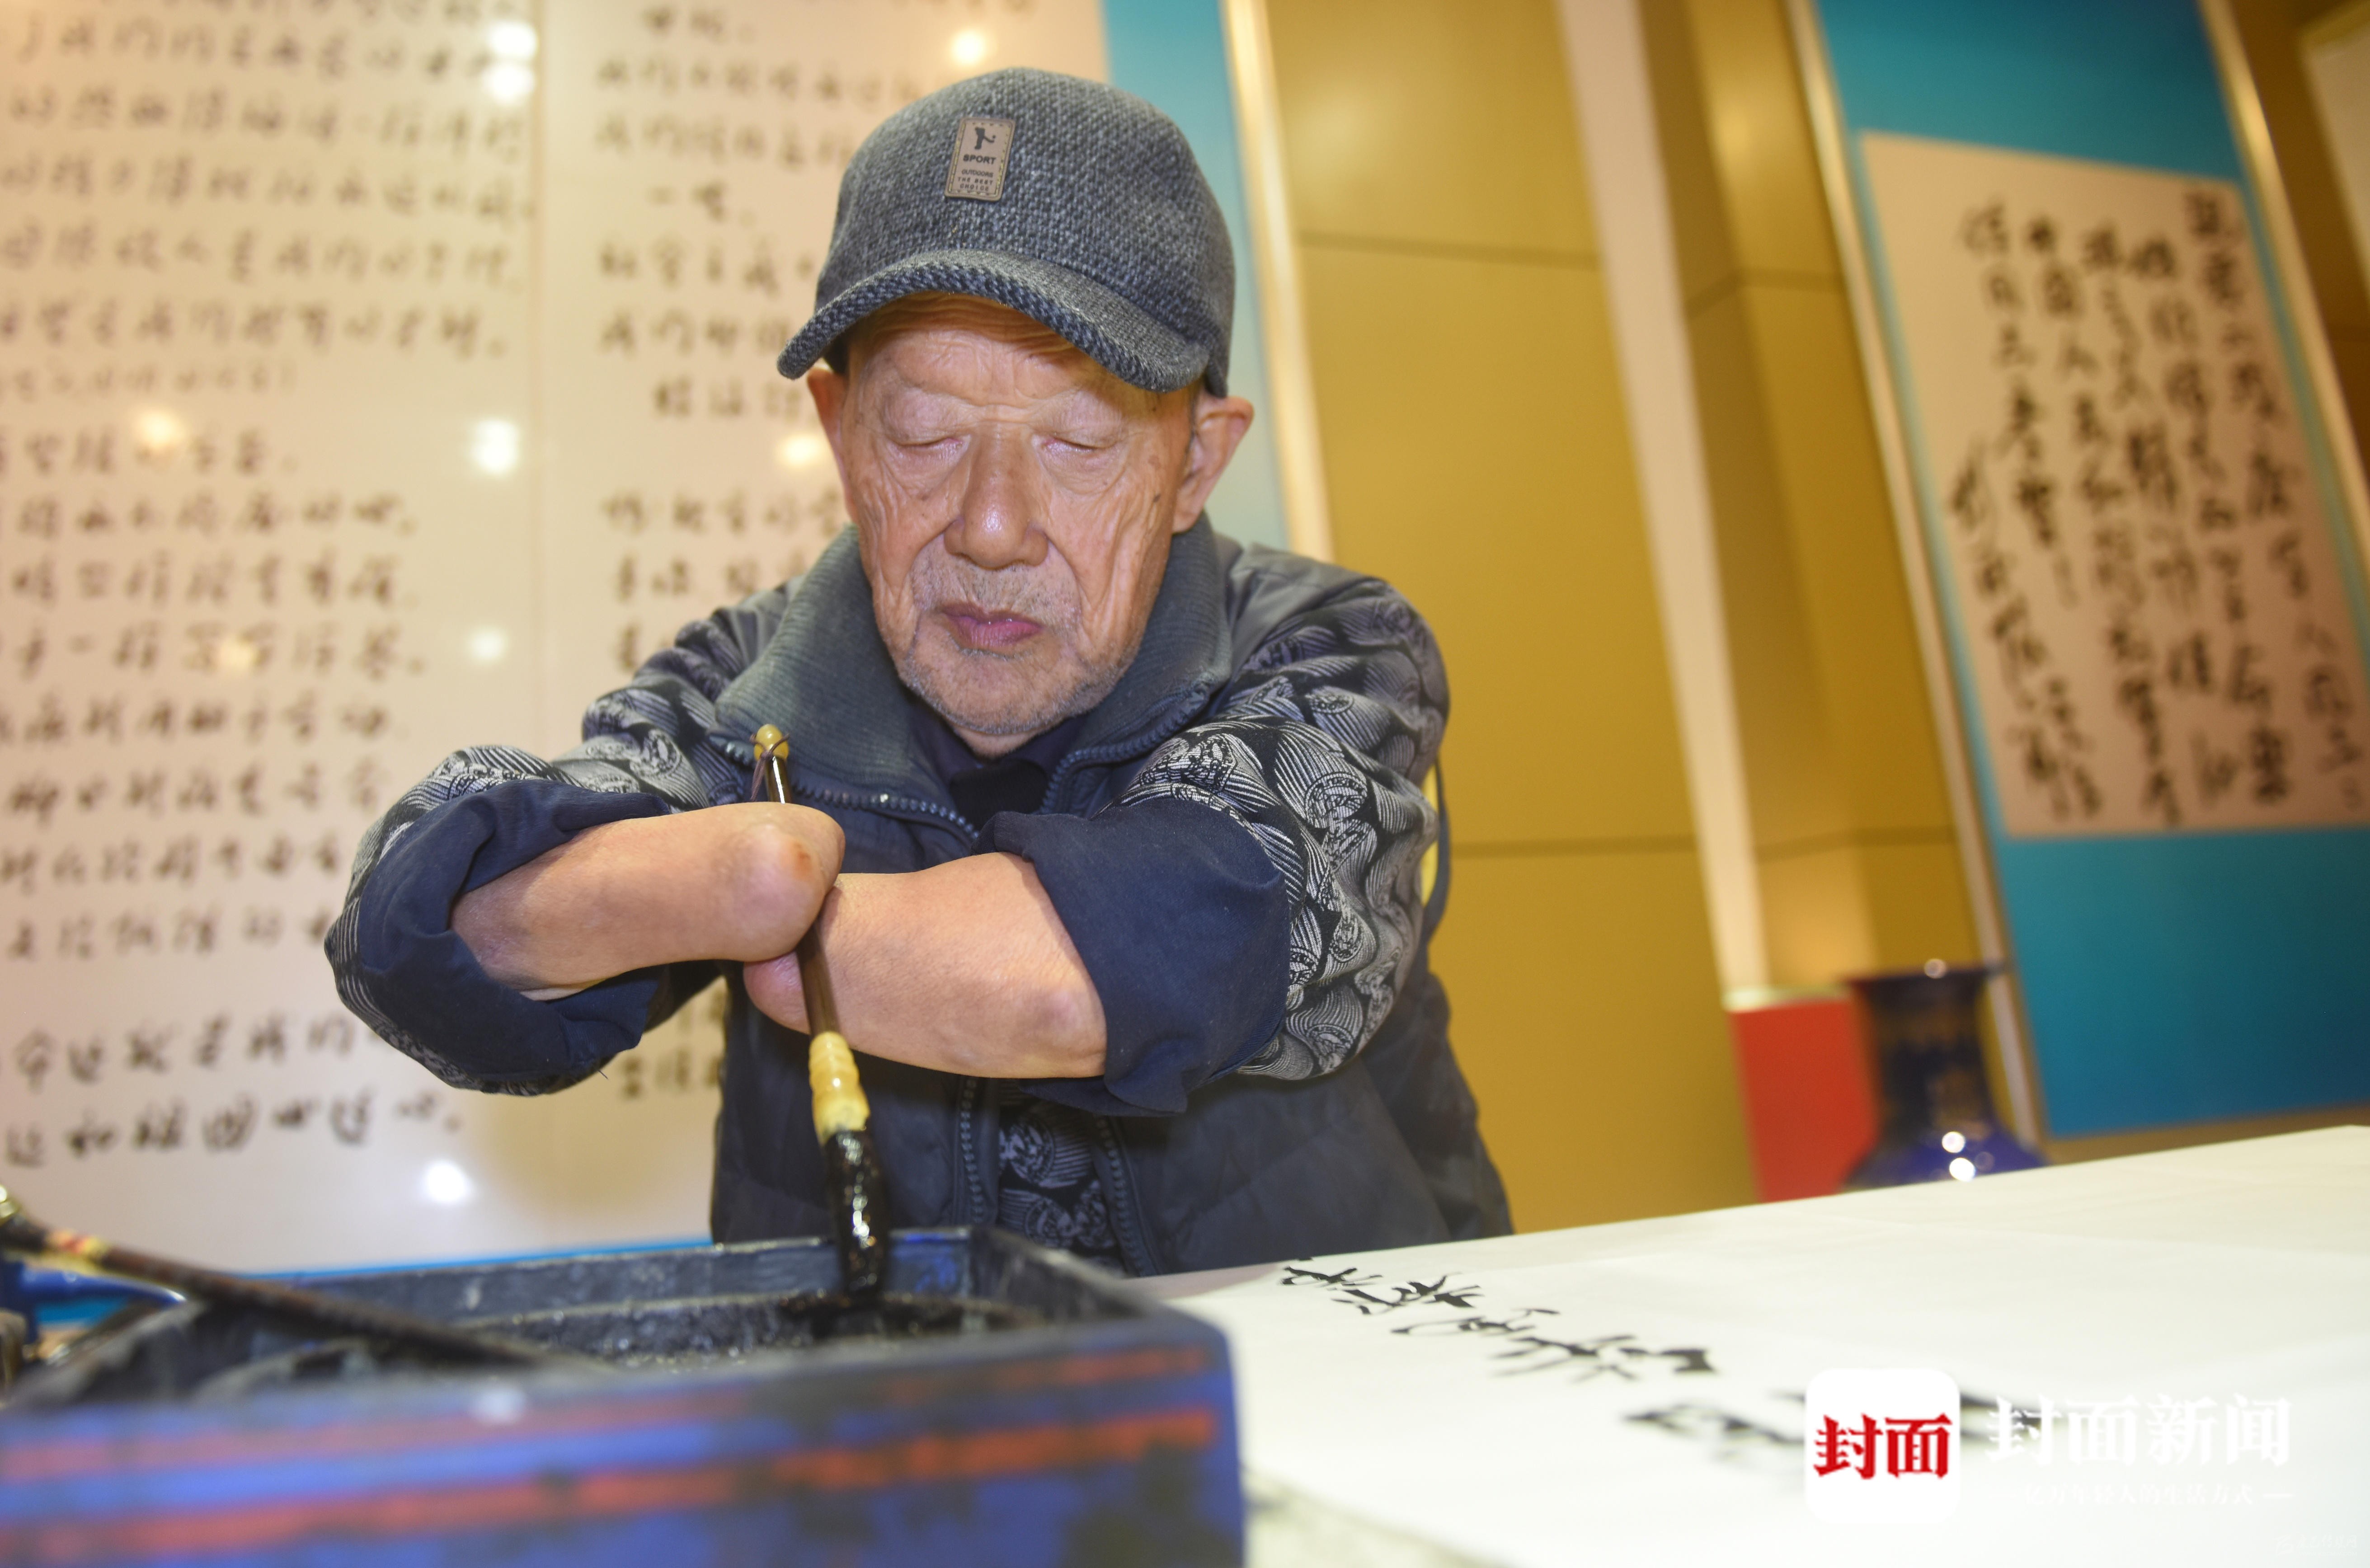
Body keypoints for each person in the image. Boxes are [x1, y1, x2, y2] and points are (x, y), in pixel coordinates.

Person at [328, 68, 1508, 1275]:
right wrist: (730, 872)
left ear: (1197, 463)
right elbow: (426, 931)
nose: (991, 527)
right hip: (878, 1388)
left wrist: (756, 907)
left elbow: (1113, 971)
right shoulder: (749, 684)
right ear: (840, 434)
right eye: (923, 432)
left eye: (1078, 440)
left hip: (1310, 1374)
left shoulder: (1330, 649)